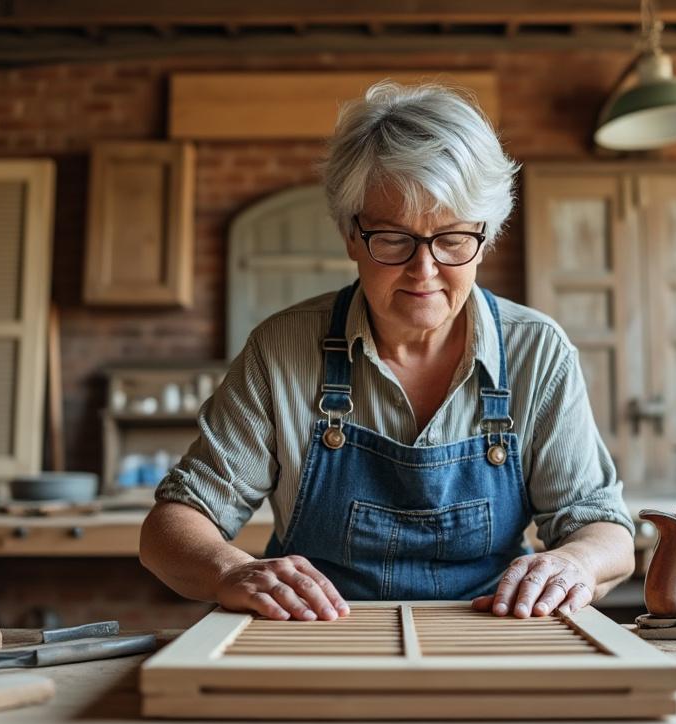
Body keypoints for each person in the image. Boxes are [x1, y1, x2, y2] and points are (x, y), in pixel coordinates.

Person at [140, 80, 634, 621]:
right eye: (394, 238)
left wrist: (578, 563)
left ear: (486, 236)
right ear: (352, 235)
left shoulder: (536, 351)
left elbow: (604, 528)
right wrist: (229, 569)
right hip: (317, 638)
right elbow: (172, 527)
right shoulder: (281, 349)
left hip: (492, 637)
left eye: (451, 238)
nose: (424, 271)